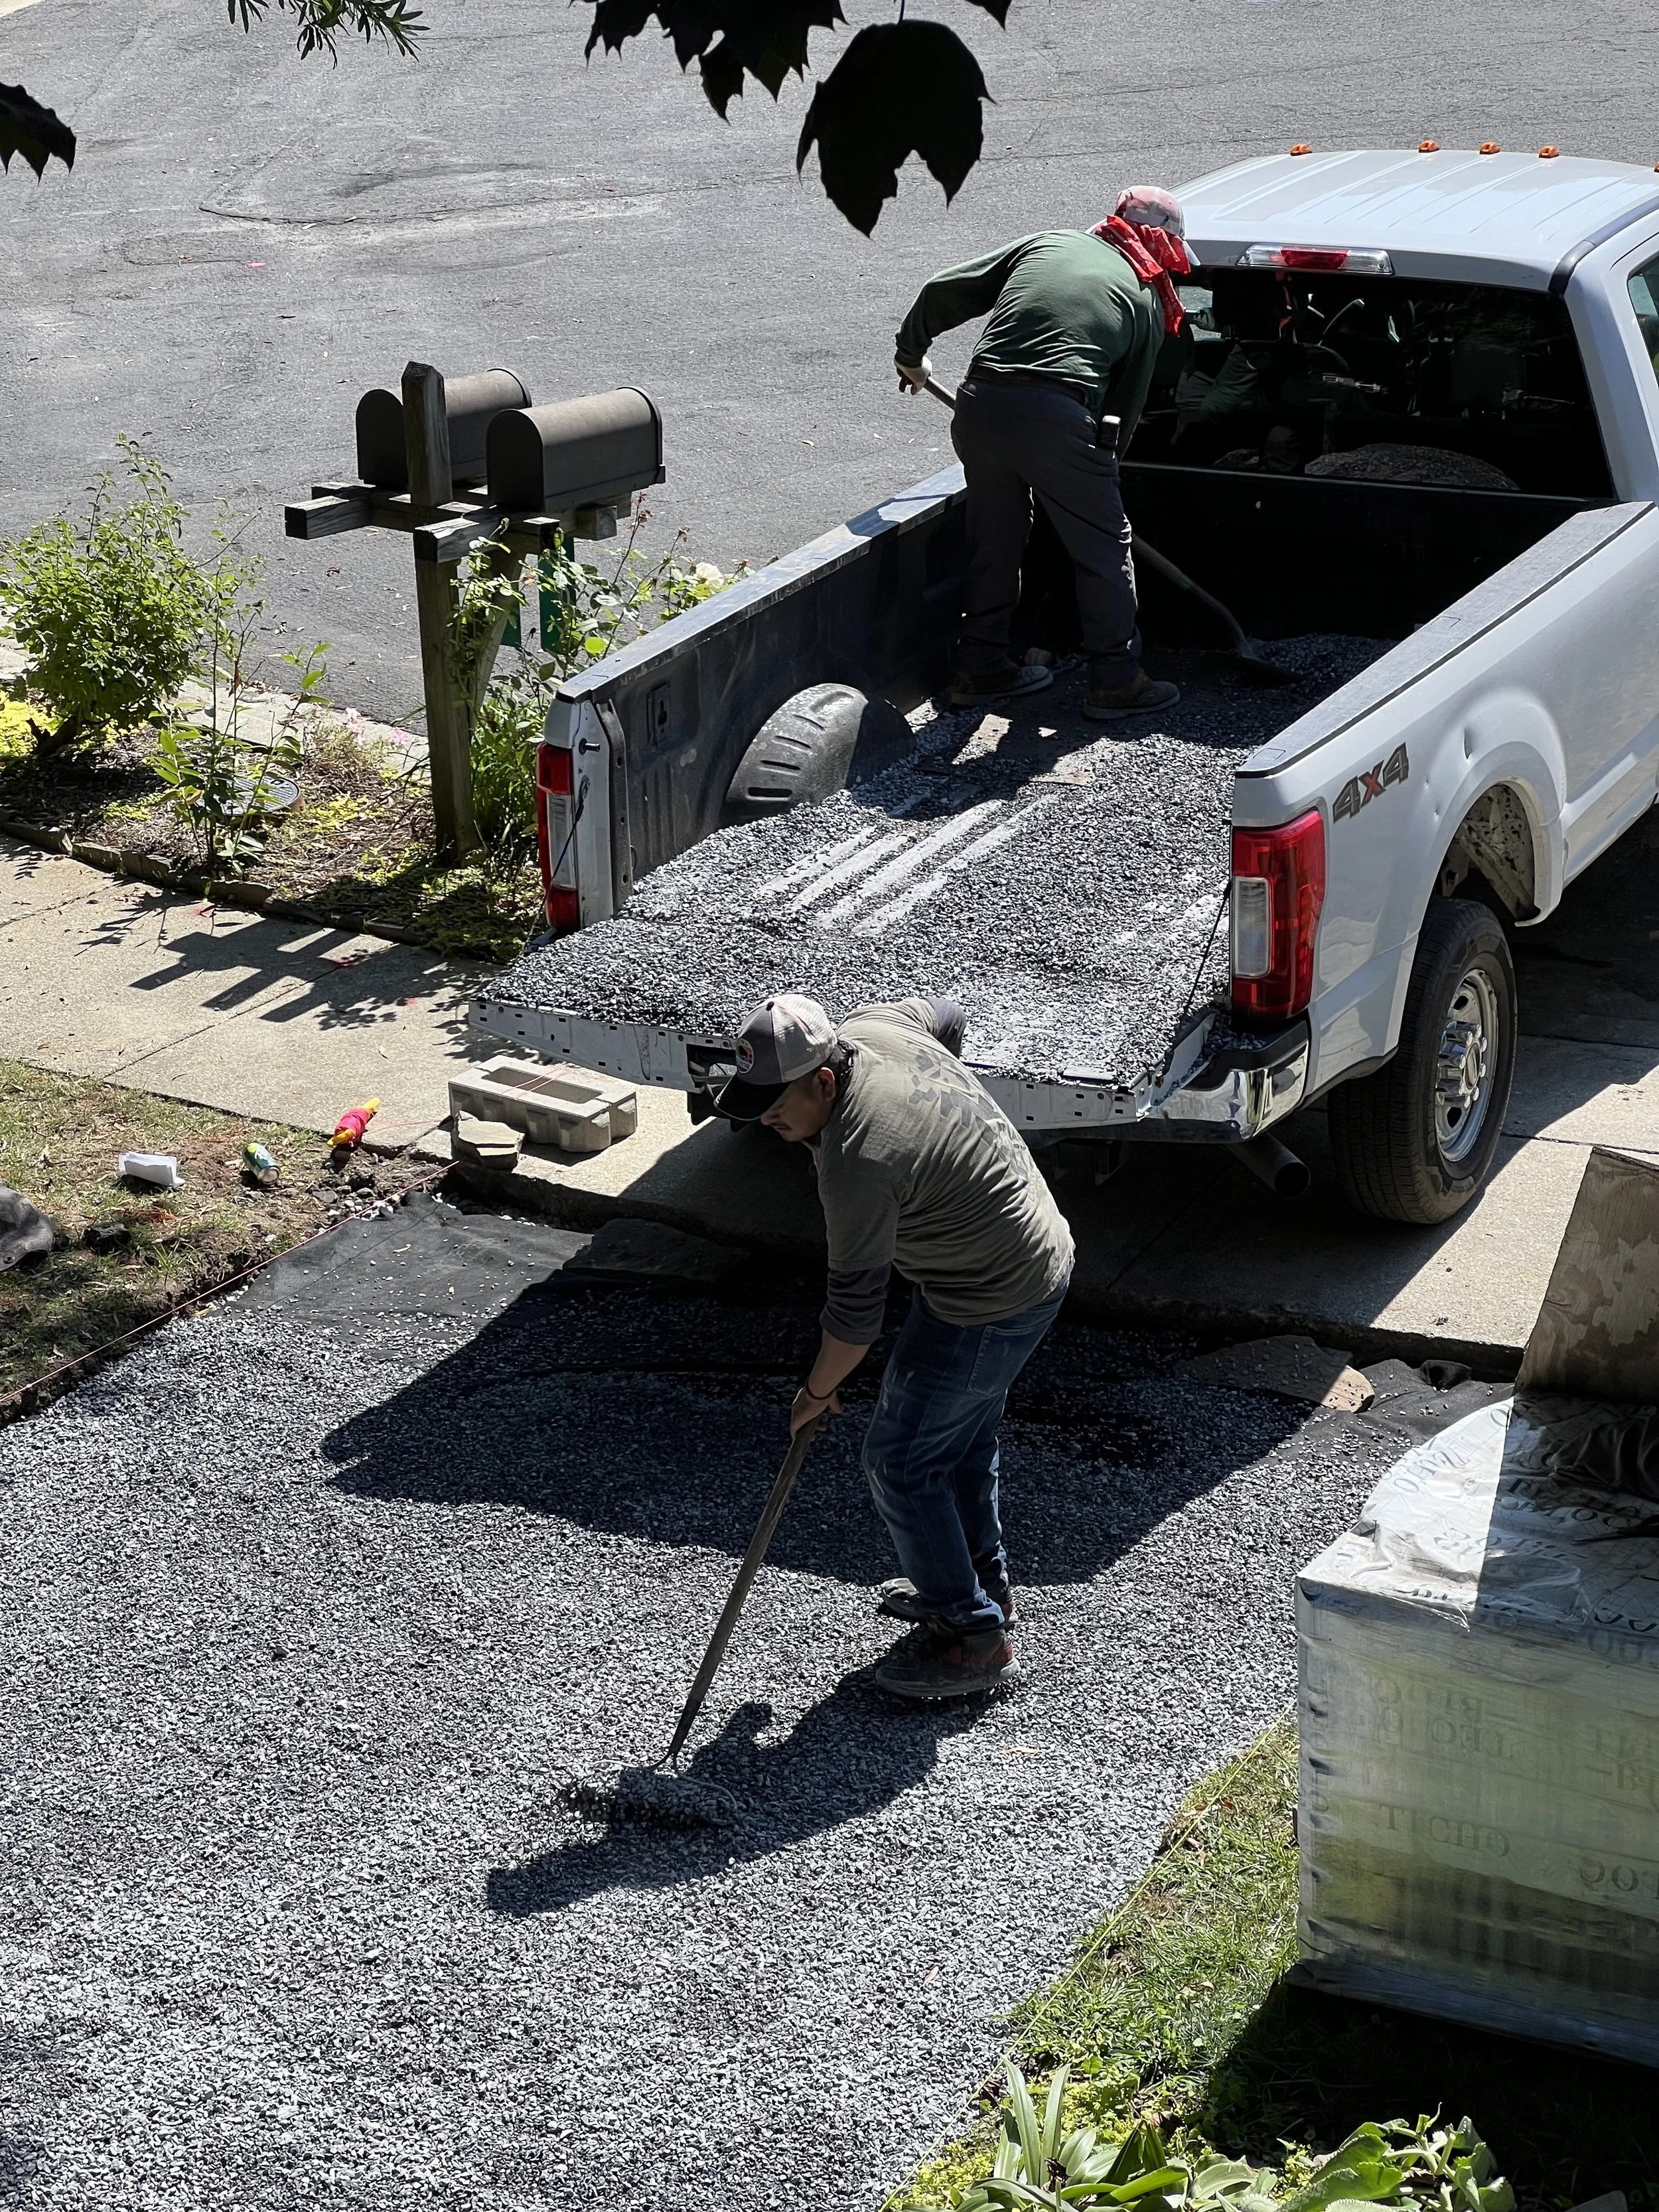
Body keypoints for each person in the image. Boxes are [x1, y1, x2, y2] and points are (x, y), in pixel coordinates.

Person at [716, 992, 1074, 1701]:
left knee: (902, 1462)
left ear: (824, 1080)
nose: (770, 1124)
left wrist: (815, 1395)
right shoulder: (872, 1029)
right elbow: (948, 1015)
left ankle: (971, 1639)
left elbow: (854, 1319)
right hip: (1029, 1250)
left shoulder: (857, 1162)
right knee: (958, 1440)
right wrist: (946, 1146)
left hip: (992, 1295)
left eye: (779, 1109)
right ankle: (979, 1586)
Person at [893, 186, 1190, 723]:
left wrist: (911, 355)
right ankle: (1117, 680)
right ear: (1165, 245)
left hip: (979, 404)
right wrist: (1100, 481)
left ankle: (981, 665)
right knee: (1104, 548)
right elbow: (1124, 411)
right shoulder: (1144, 296)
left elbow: (944, 289)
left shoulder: (1047, 243)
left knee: (997, 535)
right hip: (1058, 414)